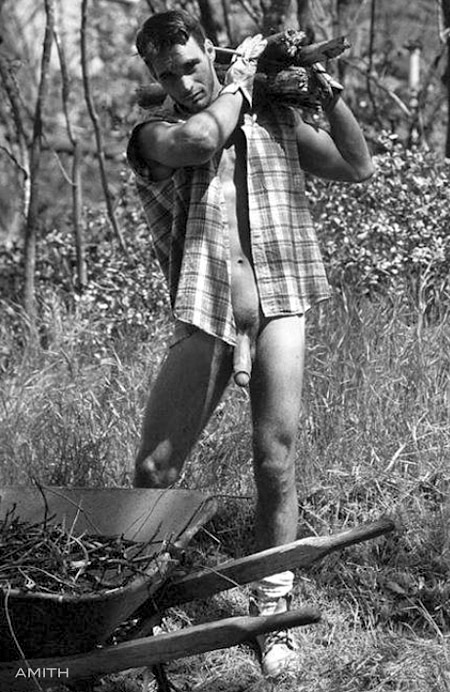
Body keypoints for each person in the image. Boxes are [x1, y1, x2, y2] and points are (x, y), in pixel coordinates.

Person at [127, 10, 374, 678]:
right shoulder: (156, 134)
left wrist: (326, 91)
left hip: (280, 306)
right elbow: (201, 140)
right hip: (206, 313)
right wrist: (241, 79)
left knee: (275, 461)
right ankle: (136, 604)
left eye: (190, 65)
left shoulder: (274, 122)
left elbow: (358, 165)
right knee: (154, 469)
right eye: (167, 74)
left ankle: (271, 613)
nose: (184, 82)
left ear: (208, 52)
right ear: (155, 77)